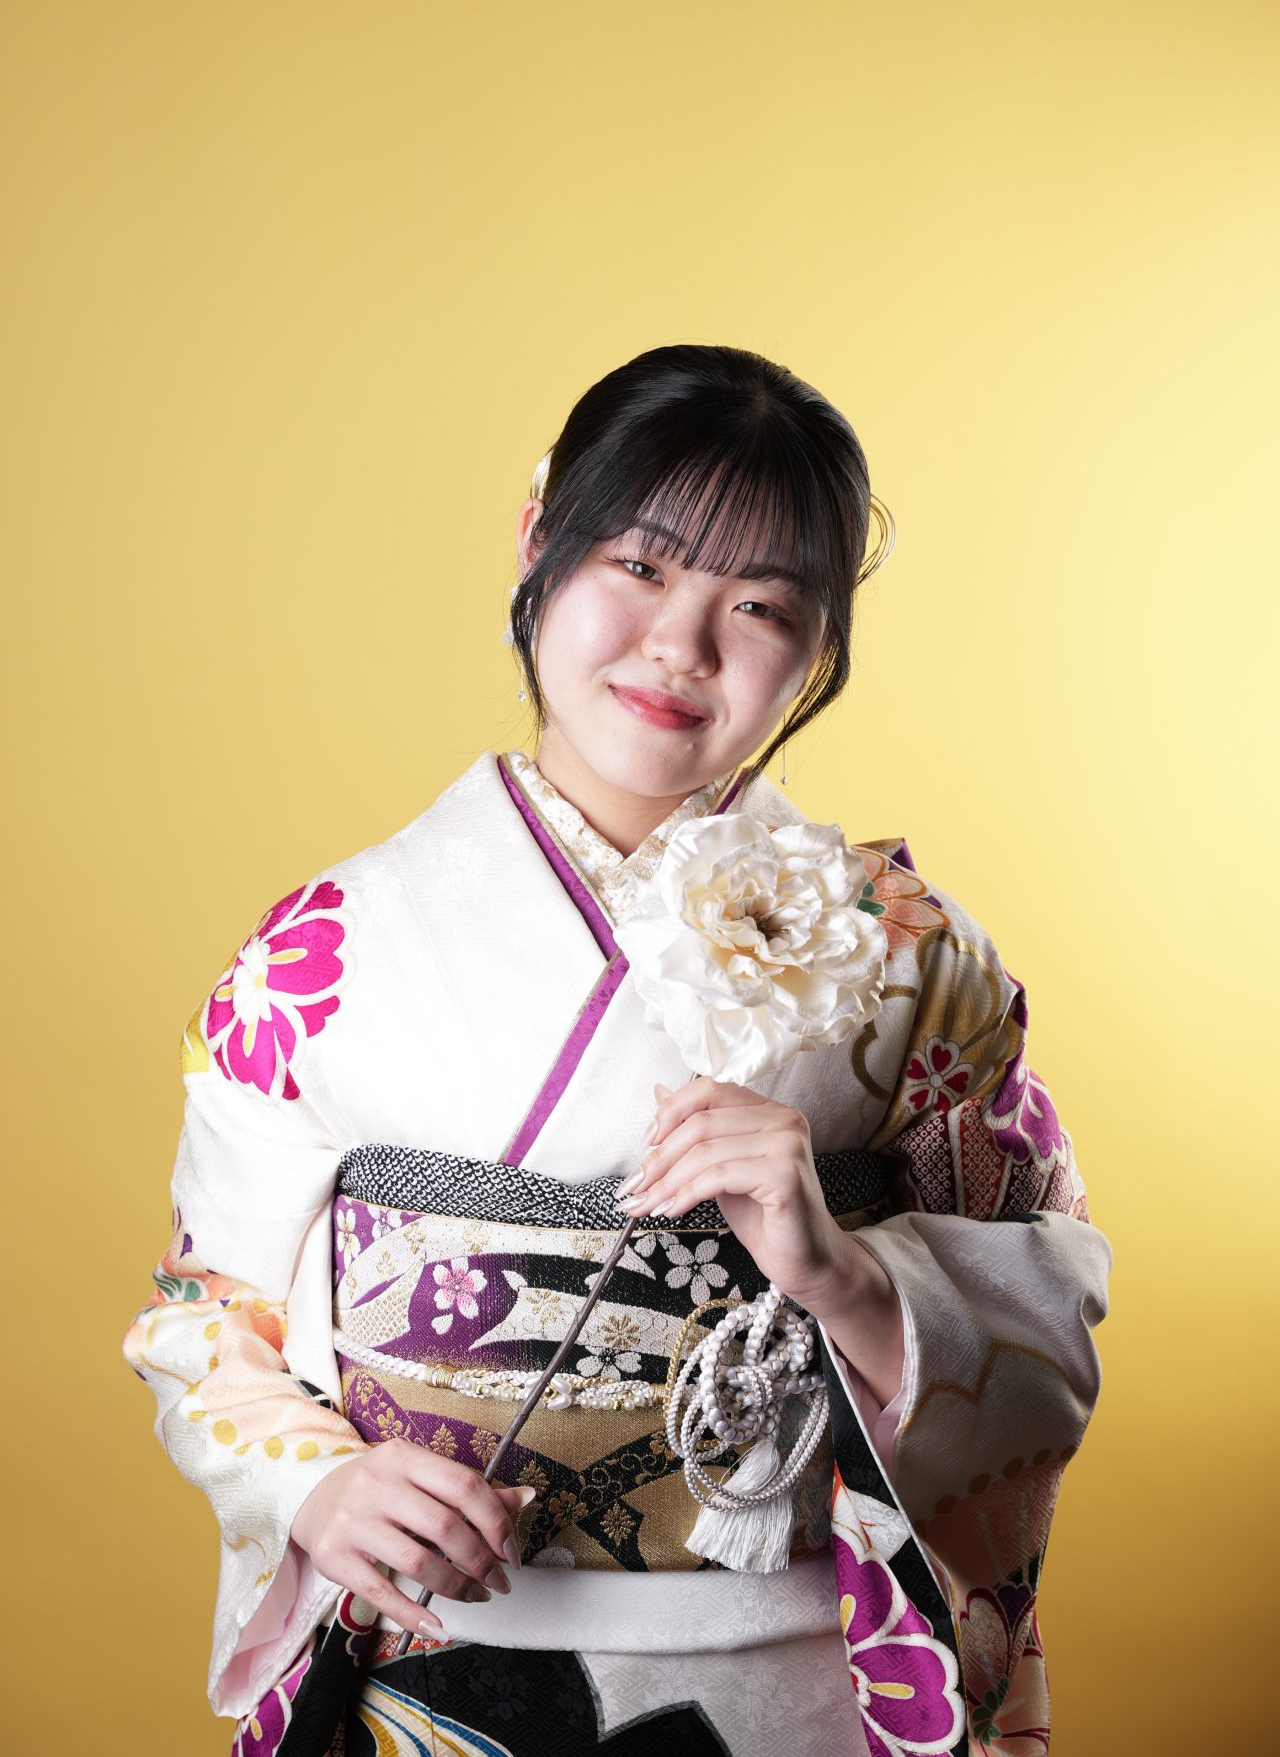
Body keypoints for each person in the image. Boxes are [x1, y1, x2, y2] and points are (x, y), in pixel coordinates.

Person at [124, 343, 1111, 1756]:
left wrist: (841, 1273)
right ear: (540, 541)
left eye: (759, 605)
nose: (680, 647)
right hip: (432, 1649)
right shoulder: (318, 955)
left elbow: (1048, 1336)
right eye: (638, 566)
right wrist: (315, 1487)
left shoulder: (916, 964)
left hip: (791, 1681)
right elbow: (202, 1313)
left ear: (820, 645)